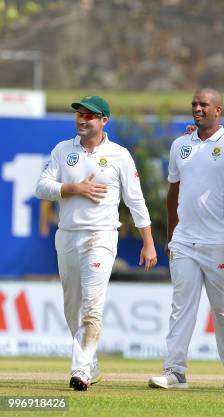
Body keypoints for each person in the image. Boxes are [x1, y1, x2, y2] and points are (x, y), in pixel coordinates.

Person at [35, 95, 157, 391]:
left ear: (104, 121)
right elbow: (42, 186)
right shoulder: (63, 150)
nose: (81, 119)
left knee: (92, 306)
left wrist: (148, 242)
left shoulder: (119, 155)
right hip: (67, 235)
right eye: (79, 114)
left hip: (101, 236)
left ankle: (80, 371)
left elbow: (136, 200)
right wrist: (73, 188)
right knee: (72, 308)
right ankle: (91, 361)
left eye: (89, 116)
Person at [147, 89, 224, 390]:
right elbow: (173, 193)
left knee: (223, 309)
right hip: (184, 241)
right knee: (181, 307)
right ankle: (175, 372)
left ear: (218, 110)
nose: (197, 109)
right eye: (194, 104)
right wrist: (170, 235)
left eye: (204, 104)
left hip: (220, 241)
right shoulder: (181, 145)